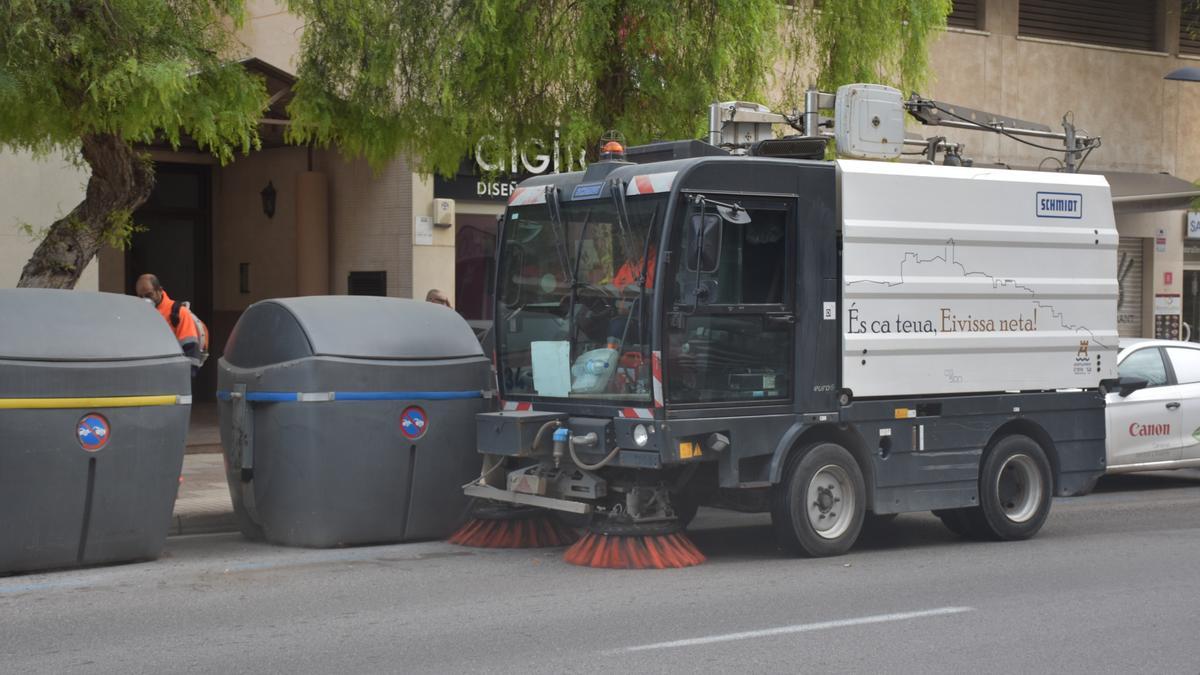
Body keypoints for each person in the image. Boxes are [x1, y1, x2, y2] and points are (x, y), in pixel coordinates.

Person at [136, 274, 202, 365]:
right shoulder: (138, 316)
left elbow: (191, 351)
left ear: (159, 290)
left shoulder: (179, 313)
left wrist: (185, 376)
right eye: (140, 297)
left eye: (149, 295)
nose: (144, 300)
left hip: (174, 373)